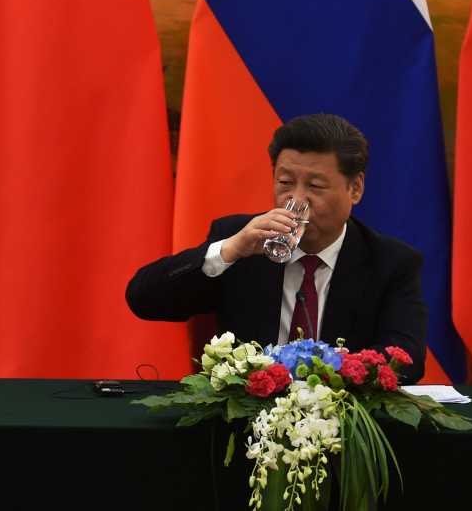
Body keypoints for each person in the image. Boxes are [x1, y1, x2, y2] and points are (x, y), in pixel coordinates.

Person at [126, 114, 426, 384]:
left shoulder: (391, 262)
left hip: (344, 428)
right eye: (285, 182)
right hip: (245, 428)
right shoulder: (241, 241)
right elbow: (144, 299)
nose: (296, 199)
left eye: (316, 186)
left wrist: (321, 381)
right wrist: (228, 251)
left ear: (355, 188)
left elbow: (406, 359)